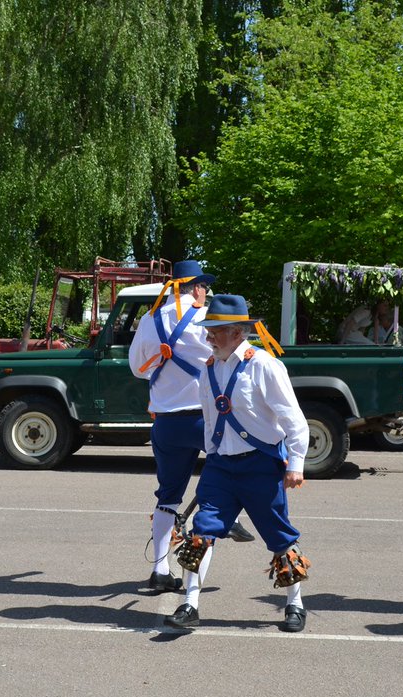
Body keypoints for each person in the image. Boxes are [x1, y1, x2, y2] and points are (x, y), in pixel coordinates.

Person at [163, 294, 311, 634]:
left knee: (279, 536)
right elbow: (210, 416)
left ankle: (295, 603)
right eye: (208, 330)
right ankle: (190, 604)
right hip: (220, 467)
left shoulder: (264, 365)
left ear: (238, 332)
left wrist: (296, 463)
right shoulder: (208, 369)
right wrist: (211, 457)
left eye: (215, 331)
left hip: (260, 465)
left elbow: (293, 418)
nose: (208, 337)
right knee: (202, 533)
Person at [129, 259, 216, 591]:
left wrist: (163, 359)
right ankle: (230, 520)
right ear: (195, 288)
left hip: (165, 421)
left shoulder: (150, 320)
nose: (205, 294)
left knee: (168, 496)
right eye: (204, 288)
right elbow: (228, 354)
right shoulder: (202, 317)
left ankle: (160, 569)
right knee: (230, 475)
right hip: (203, 418)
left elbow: (137, 368)